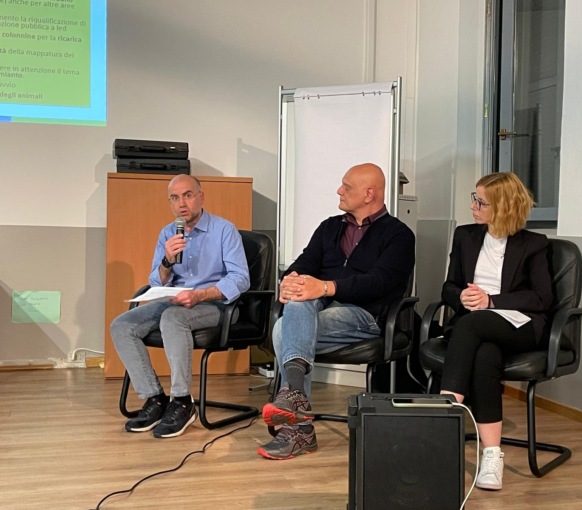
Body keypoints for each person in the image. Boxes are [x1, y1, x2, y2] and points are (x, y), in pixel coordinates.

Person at [257, 162, 416, 460]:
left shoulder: (399, 235)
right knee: (297, 302)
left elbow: (380, 282)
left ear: (369, 194)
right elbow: (304, 262)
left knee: (283, 328)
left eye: (347, 186)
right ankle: (296, 401)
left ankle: (298, 426)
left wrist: (326, 287)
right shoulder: (330, 227)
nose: (339, 191)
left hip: (364, 315)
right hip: (319, 312)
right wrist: (289, 280)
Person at [110, 174, 250, 439]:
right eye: (174, 198)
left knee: (173, 318)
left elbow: (240, 278)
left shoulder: (224, 230)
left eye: (187, 195)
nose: (181, 204)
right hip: (174, 301)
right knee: (122, 325)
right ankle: (155, 398)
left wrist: (200, 295)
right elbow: (156, 281)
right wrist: (167, 260)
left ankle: (183, 401)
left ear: (201, 197)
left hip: (215, 304)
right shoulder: (168, 232)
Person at [438, 172, 553, 490]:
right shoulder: (465, 236)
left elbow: (542, 298)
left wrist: (491, 301)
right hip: (478, 329)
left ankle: (445, 410)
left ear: (503, 207)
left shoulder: (533, 244)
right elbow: (449, 286)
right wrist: (461, 296)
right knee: (485, 355)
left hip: (518, 324)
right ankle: (492, 455)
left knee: (471, 322)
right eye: (474, 199)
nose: (473, 206)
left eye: (481, 202)